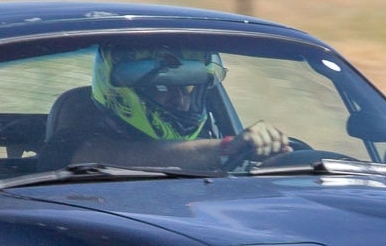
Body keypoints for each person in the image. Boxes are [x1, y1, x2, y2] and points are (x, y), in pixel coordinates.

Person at [78, 43, 290, 170]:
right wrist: (226, 148)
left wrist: (273, 148)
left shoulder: (209, 134)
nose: (179, 100)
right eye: (161, 87)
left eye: (187, 87)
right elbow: (119, 156)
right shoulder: (74, 143)